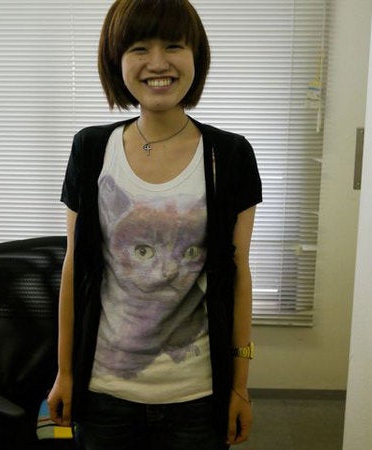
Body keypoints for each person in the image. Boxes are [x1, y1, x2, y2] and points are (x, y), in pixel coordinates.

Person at [47, 0, 262, 448]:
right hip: (105, 391)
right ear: (116, 60)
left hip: (198, 395)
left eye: (174, 46)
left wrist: (240, 385)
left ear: (196, 56)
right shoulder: (91, 150)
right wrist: (65, 371)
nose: (158, 63)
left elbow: (238, 273)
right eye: (140, 48)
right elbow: (74, 267)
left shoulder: (231, 155)